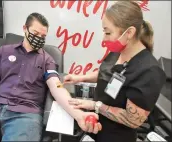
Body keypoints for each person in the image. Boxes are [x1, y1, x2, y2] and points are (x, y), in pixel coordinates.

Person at [0, 13, 102, 141]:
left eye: (43, 36)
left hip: (25, 115)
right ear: (25, 28)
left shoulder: (47, 60)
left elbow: (56, 86)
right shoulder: (3, 51)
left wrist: (78, 115)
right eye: (35, 33)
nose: (39, 39)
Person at [64, 1, 166, 142]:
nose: (104, 39)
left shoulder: (149, 72)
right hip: (94, 124)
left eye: (108, 32)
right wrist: (79, 78)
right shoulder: (118, 51)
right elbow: (105, 73)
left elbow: (133, 120)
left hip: (115, 136)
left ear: (129, 32)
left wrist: (96, 106)